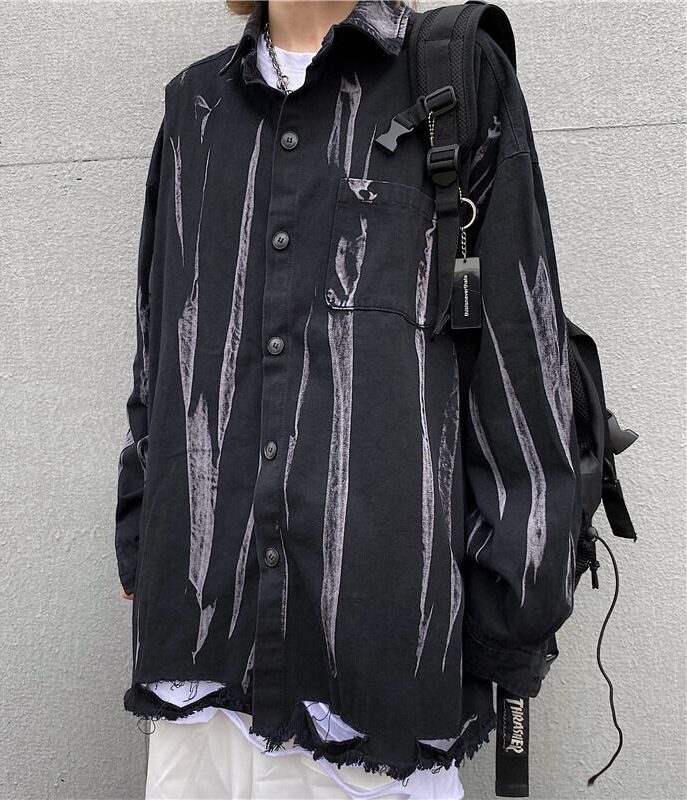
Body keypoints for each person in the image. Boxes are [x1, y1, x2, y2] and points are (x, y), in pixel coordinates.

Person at [114, 1, 581, 797]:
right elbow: (162, 350)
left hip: (376, 668)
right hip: (200, 659)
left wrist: (517, 611)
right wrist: (140, 530)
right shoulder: (193, 109)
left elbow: (519, 360)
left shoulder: (453, 78)